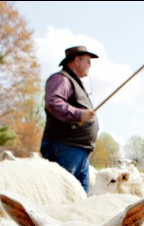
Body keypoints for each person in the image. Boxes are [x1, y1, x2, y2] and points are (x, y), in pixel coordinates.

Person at [40, 45, 100, 192]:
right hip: (64, 148)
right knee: (61, 194)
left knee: (79, 198)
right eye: (87, 61)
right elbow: (53, 103)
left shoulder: (74, 82)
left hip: (78, 151)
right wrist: (79, 114)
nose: (90, 65)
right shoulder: (61, 79)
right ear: (77, 61)